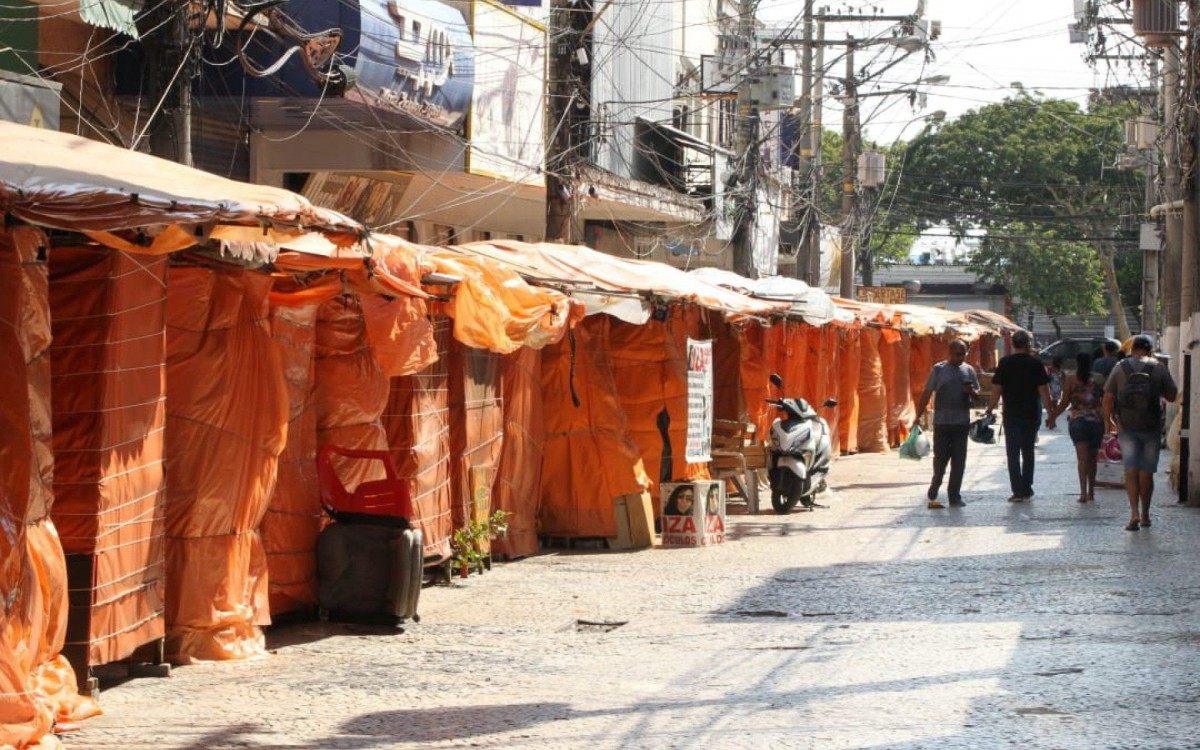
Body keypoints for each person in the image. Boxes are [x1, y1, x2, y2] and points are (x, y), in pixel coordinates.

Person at [1103, 335, 1177, 531]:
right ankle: (1145, 515)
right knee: (1146, 472)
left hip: (1126, 426)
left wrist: (1108, 420)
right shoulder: (1158, 367)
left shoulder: (1120, 367)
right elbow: (1172, 395)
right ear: (1150, 349)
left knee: (1130, 470)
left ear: (1132, 349)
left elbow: (1108, 396)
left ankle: (1133, 513)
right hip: (1151, 427)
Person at [987, 330, 1054, 502]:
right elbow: (1044, 391)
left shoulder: (1004, 363)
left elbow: (996, 389)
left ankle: (1017, 491)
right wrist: (1051, 414)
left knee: (1013, 454)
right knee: (1028, 451)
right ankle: (1027, 488)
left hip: (1011, 415)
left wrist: (989, 409)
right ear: (1028, 344)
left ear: (1014, 344)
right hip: (1031, 414)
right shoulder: (1036, 363)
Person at [912, 339, 980, 509]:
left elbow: (978, 396)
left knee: (959, 460)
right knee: (940, 459)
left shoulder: (969, 370)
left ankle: (954, 495)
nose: (961, 357)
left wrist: (971, 392)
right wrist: (918, 415)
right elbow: (927, 393)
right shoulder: (939, 369)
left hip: (961, 423)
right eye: (957, 354)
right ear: (949, 353)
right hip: (942, 423)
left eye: (963, 354)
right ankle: (936, 484)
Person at [1048, 352, 1105, 503]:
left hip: (1078, 422)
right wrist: (1110, 420)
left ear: (1077, 363)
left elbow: (1065, 402)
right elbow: (1104, 401)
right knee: (1093, 459)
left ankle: (1083, 493)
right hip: (1096, 422)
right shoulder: (1098, 379)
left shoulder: (1071, 379)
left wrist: (1052, 416)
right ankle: (1092, 491)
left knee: (1082, 459)